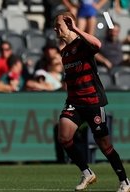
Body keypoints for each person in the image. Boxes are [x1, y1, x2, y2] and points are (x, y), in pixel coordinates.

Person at [54, 11, 130, 192]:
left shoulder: (83, 44)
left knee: (105, 145)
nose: (55, 29)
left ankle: (124, 181)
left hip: (92, 101)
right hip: (74, 101)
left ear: (69, 24)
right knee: (63, 137)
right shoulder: (64, 52)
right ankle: (87, 172)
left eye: (59, 25)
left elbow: (98, 44)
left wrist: (76, 29)